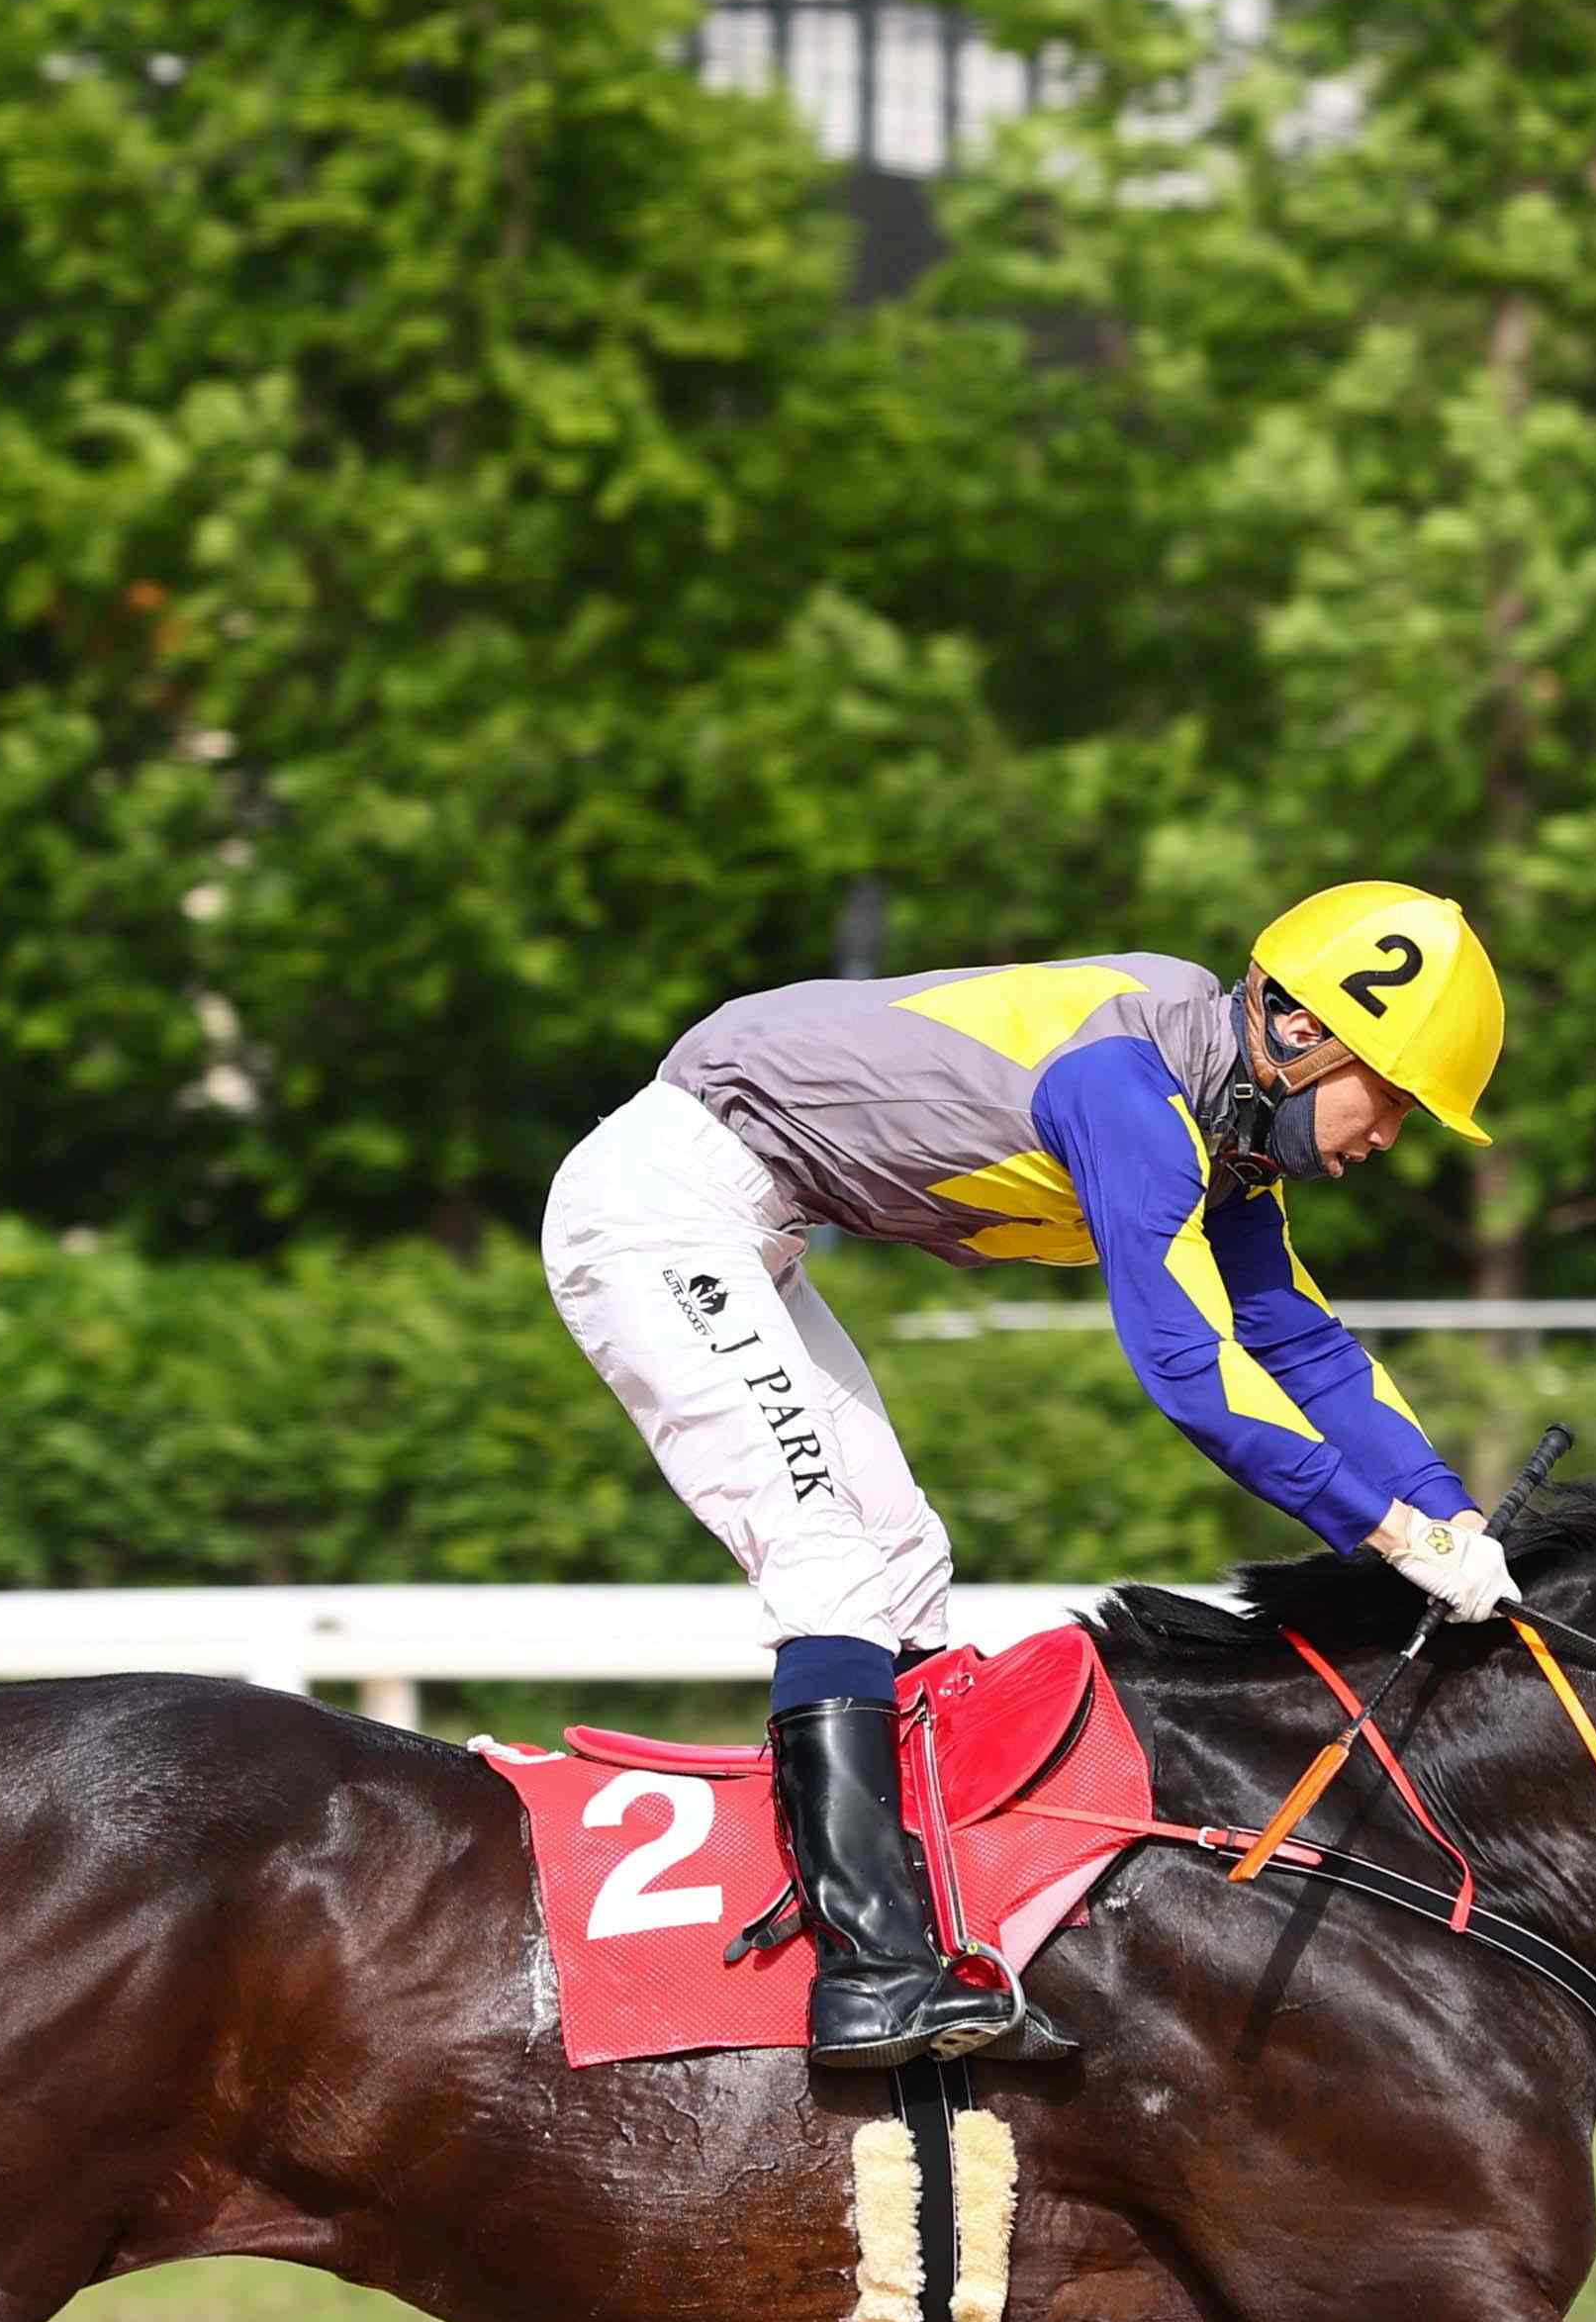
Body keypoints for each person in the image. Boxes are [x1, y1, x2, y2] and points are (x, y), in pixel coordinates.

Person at [542, 882, 1518, 2064]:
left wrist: (1452, 1514)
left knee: (903, 1558)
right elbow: (1190, 1372)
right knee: (828, 1563)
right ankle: (868, 1976)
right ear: (1302, 1030)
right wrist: (1393, 1535)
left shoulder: (1225, 1134)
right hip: (662, 1211)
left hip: (752, 1222)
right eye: (1392, 1098)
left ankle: (932, 1920)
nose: (1386, 1139)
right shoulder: (1129, 1090)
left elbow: (1298, 1344)